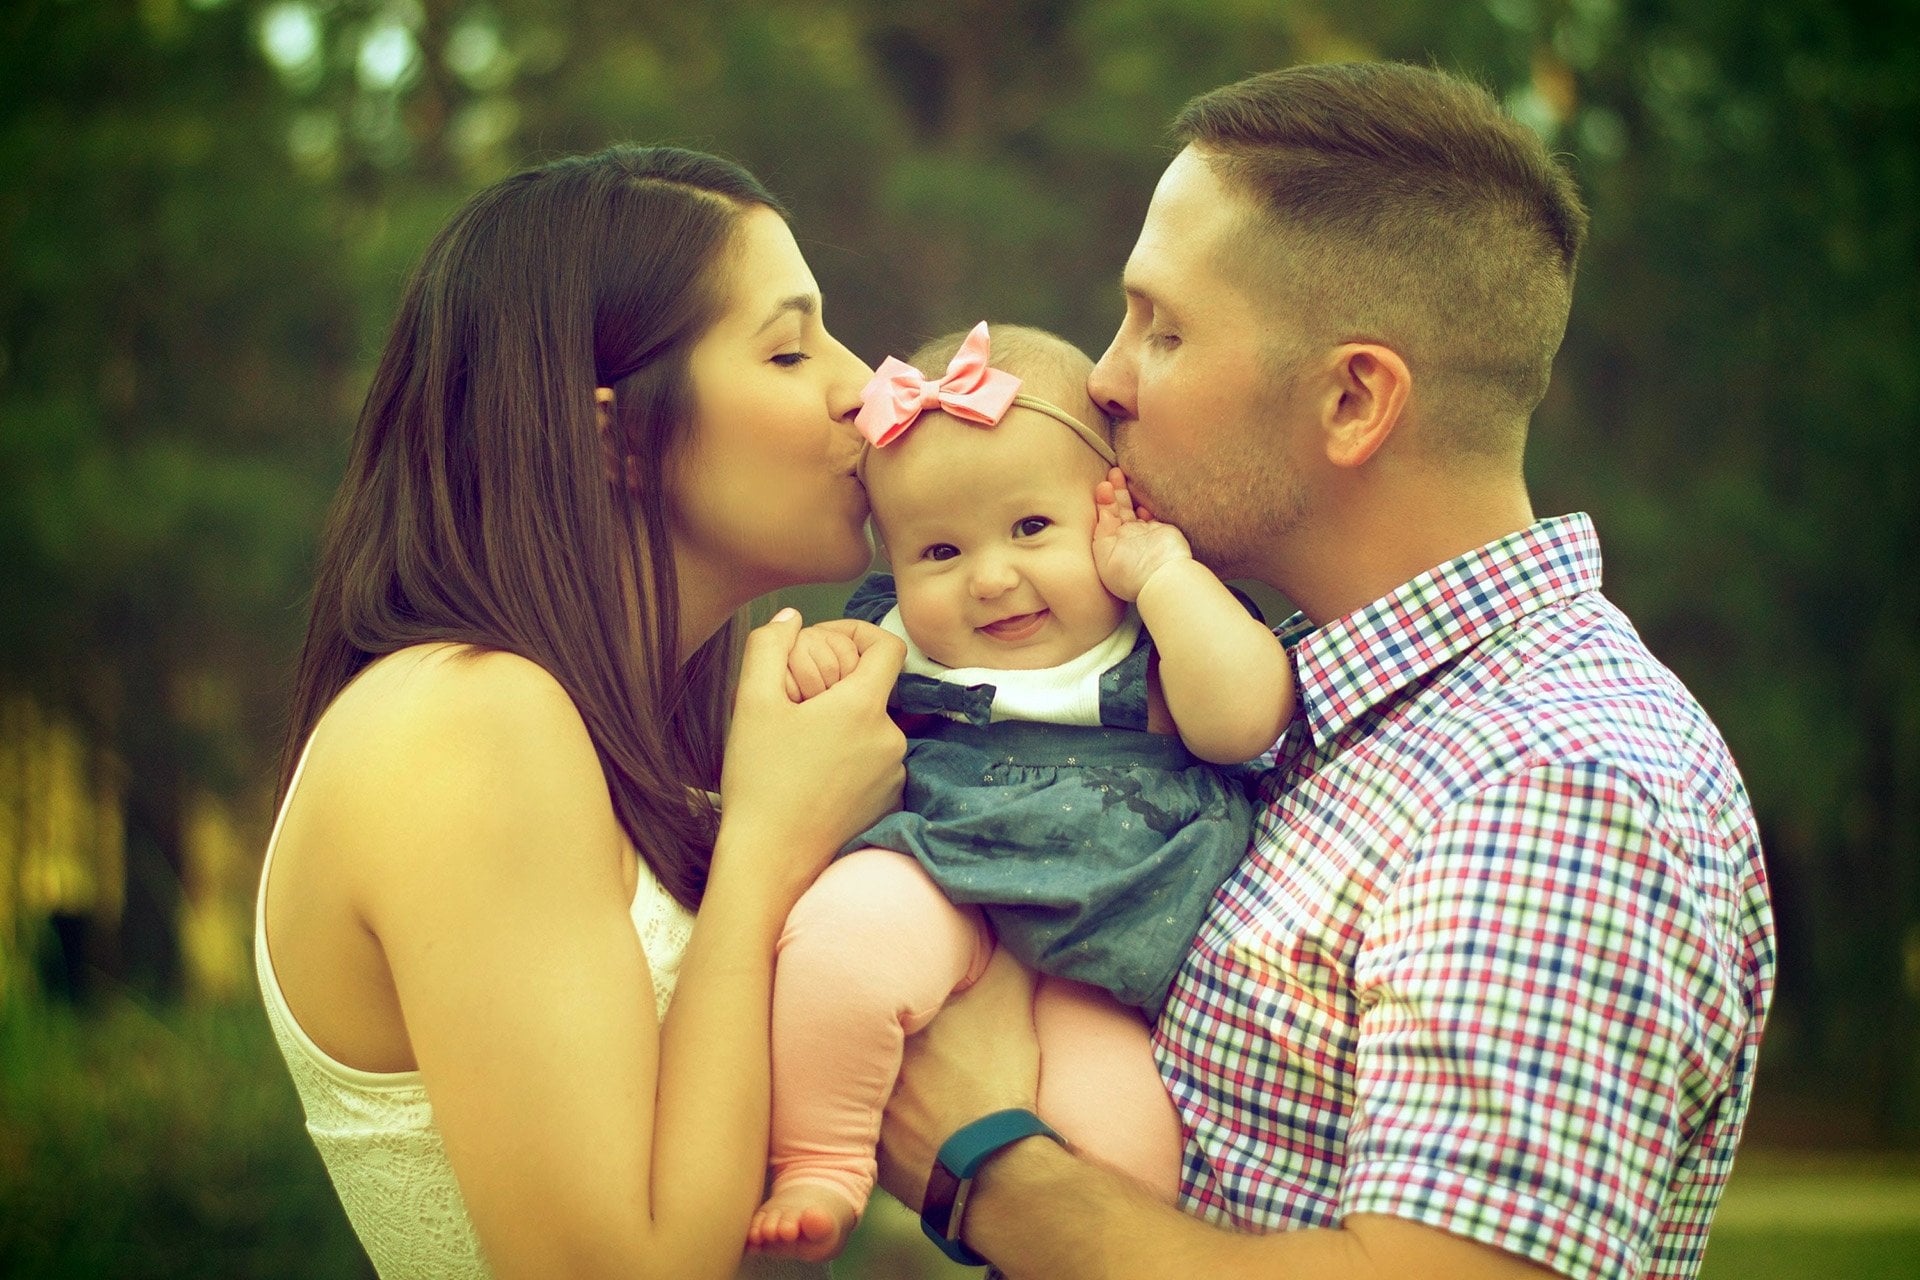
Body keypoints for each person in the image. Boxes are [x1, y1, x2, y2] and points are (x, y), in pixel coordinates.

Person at [876, 61, 1778, 1280]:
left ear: (1353, 398)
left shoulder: (1556, 779)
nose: (1104, 378)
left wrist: (987, 1163)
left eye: (1165, 328)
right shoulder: (1292, 699)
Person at [253, 145, 910, 1280]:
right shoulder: (465, 720)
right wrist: (766, 842)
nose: (863, 383)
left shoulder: (640, 735)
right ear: (616, 435)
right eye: (791, 348)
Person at [745, 322, 1294, 1262]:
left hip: (1111, 952)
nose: (992, 579)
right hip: (943, 876)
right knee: (838, 949)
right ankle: (823, 1159)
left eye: (1032, 529)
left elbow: (1245, 721)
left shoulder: (1159, 624)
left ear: (1115, 508)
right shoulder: (897, 640)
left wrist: (1162, 574)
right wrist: (823, 663)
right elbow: (832, 731)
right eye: (939, 553)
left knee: (1124, 1153)